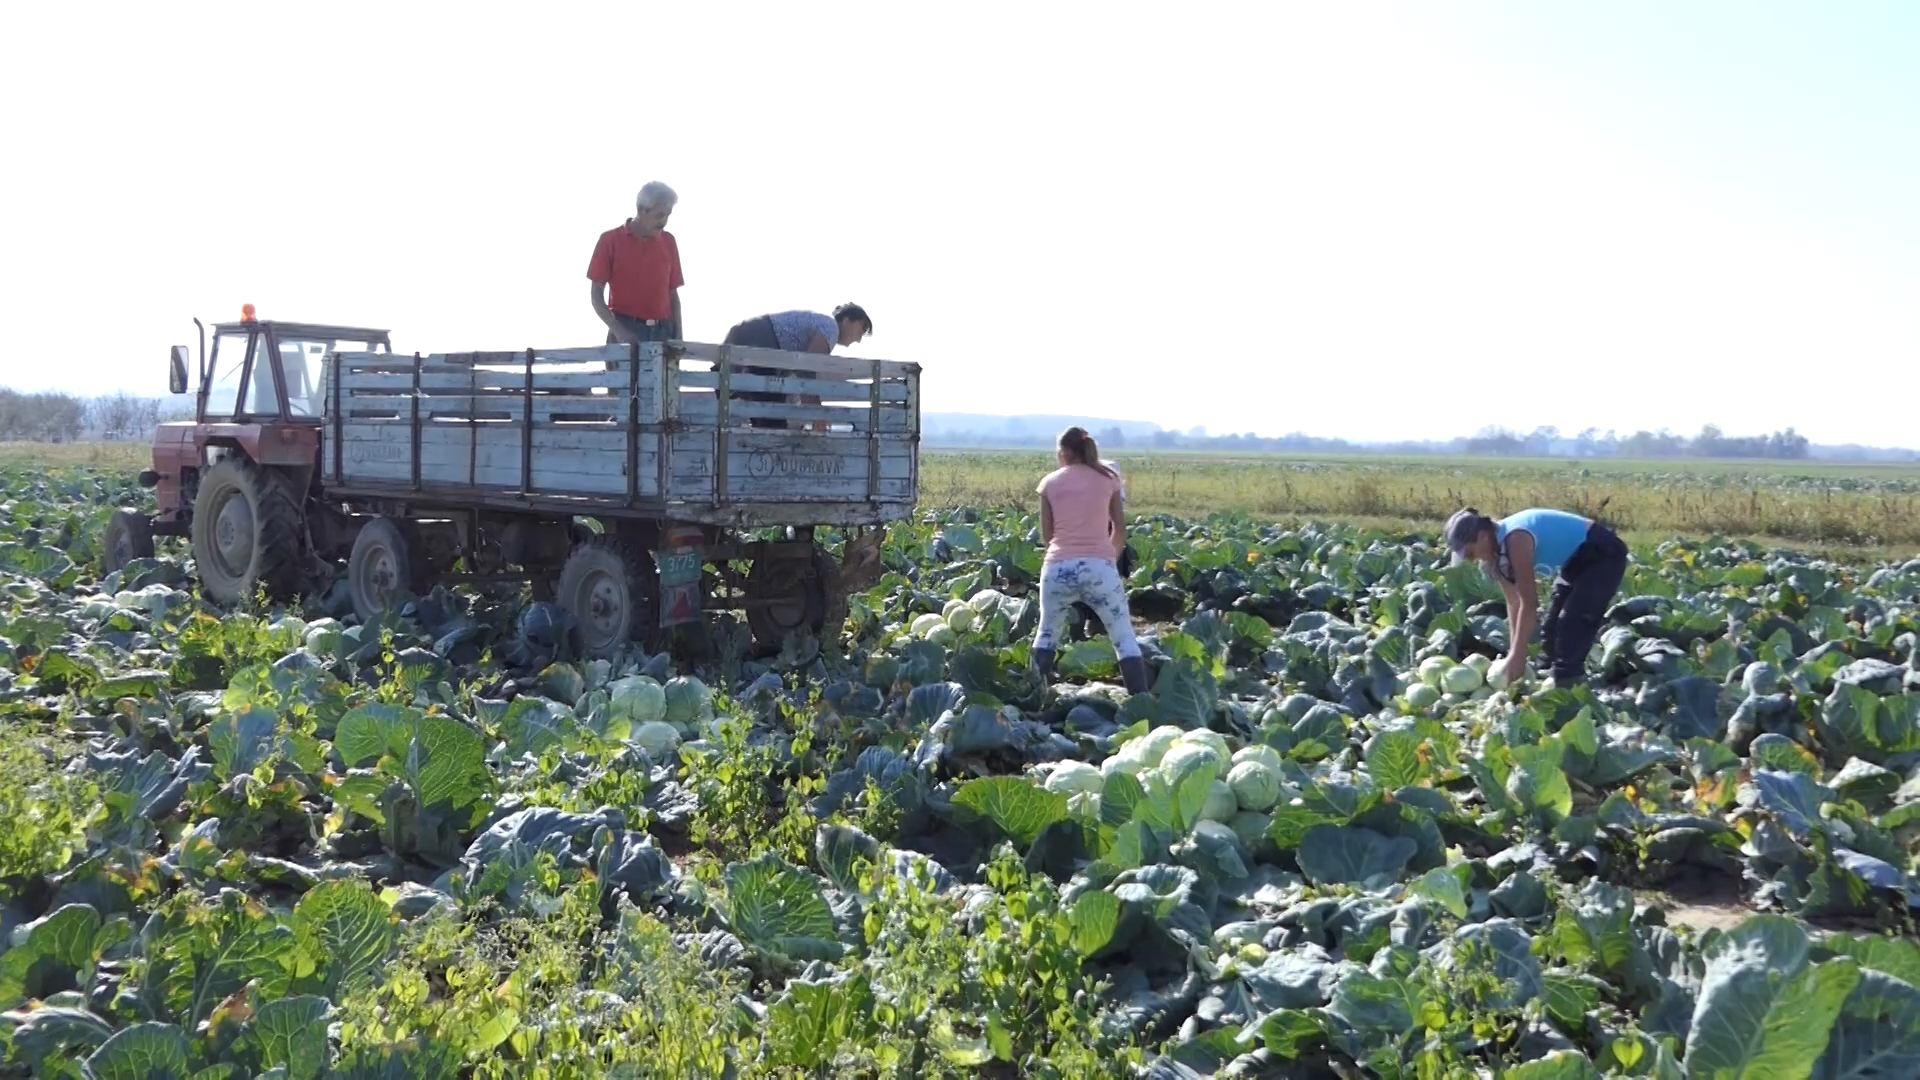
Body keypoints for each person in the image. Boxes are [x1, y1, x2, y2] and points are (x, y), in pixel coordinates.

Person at [1443, 506, 1629, 688]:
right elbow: (1514, 602)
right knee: (1550, 631)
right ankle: (1546, 675)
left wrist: (1519, 654)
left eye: (1470, 552)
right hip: (1575, 561)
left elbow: (1529, 603)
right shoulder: (1495, 555)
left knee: (1573, 621)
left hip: (1603, 552)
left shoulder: (1516, 539)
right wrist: (1513, 652)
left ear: (1483, 537)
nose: (1470, 559)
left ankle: (1568, 684)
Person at [1033, 427, 1150, 694]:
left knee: (1047, 633)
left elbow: (1047, 535)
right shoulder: (1108, 478)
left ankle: (1030, 699)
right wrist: (1108, 558)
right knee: (1123, 638)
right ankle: (1141, 705)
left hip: (1057, 568)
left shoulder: (1049, 483)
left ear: (1063, 453)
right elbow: (1119, 529)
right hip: (1099, 567)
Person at [720, 304, 874, 430]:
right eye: (861, 329)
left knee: (766, 414)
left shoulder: (822, 324)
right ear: (846, 320)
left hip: (747, 341)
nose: (859, 339)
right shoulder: (831, 328)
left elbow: (799, 371)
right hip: (761, 344)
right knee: (772, 422)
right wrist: (816, 412)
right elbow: (806, 368)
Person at [588, 182, 684, 346]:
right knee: (624, 373)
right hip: (626, 330)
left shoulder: (669, 241)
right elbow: (596, 295)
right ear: (642, 210)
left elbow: (673, 294)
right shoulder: (610, 241)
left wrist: (679, 337)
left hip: (664, 332)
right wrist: (618, 330)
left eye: (668, 215)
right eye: (659, 215)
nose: (664, 221)